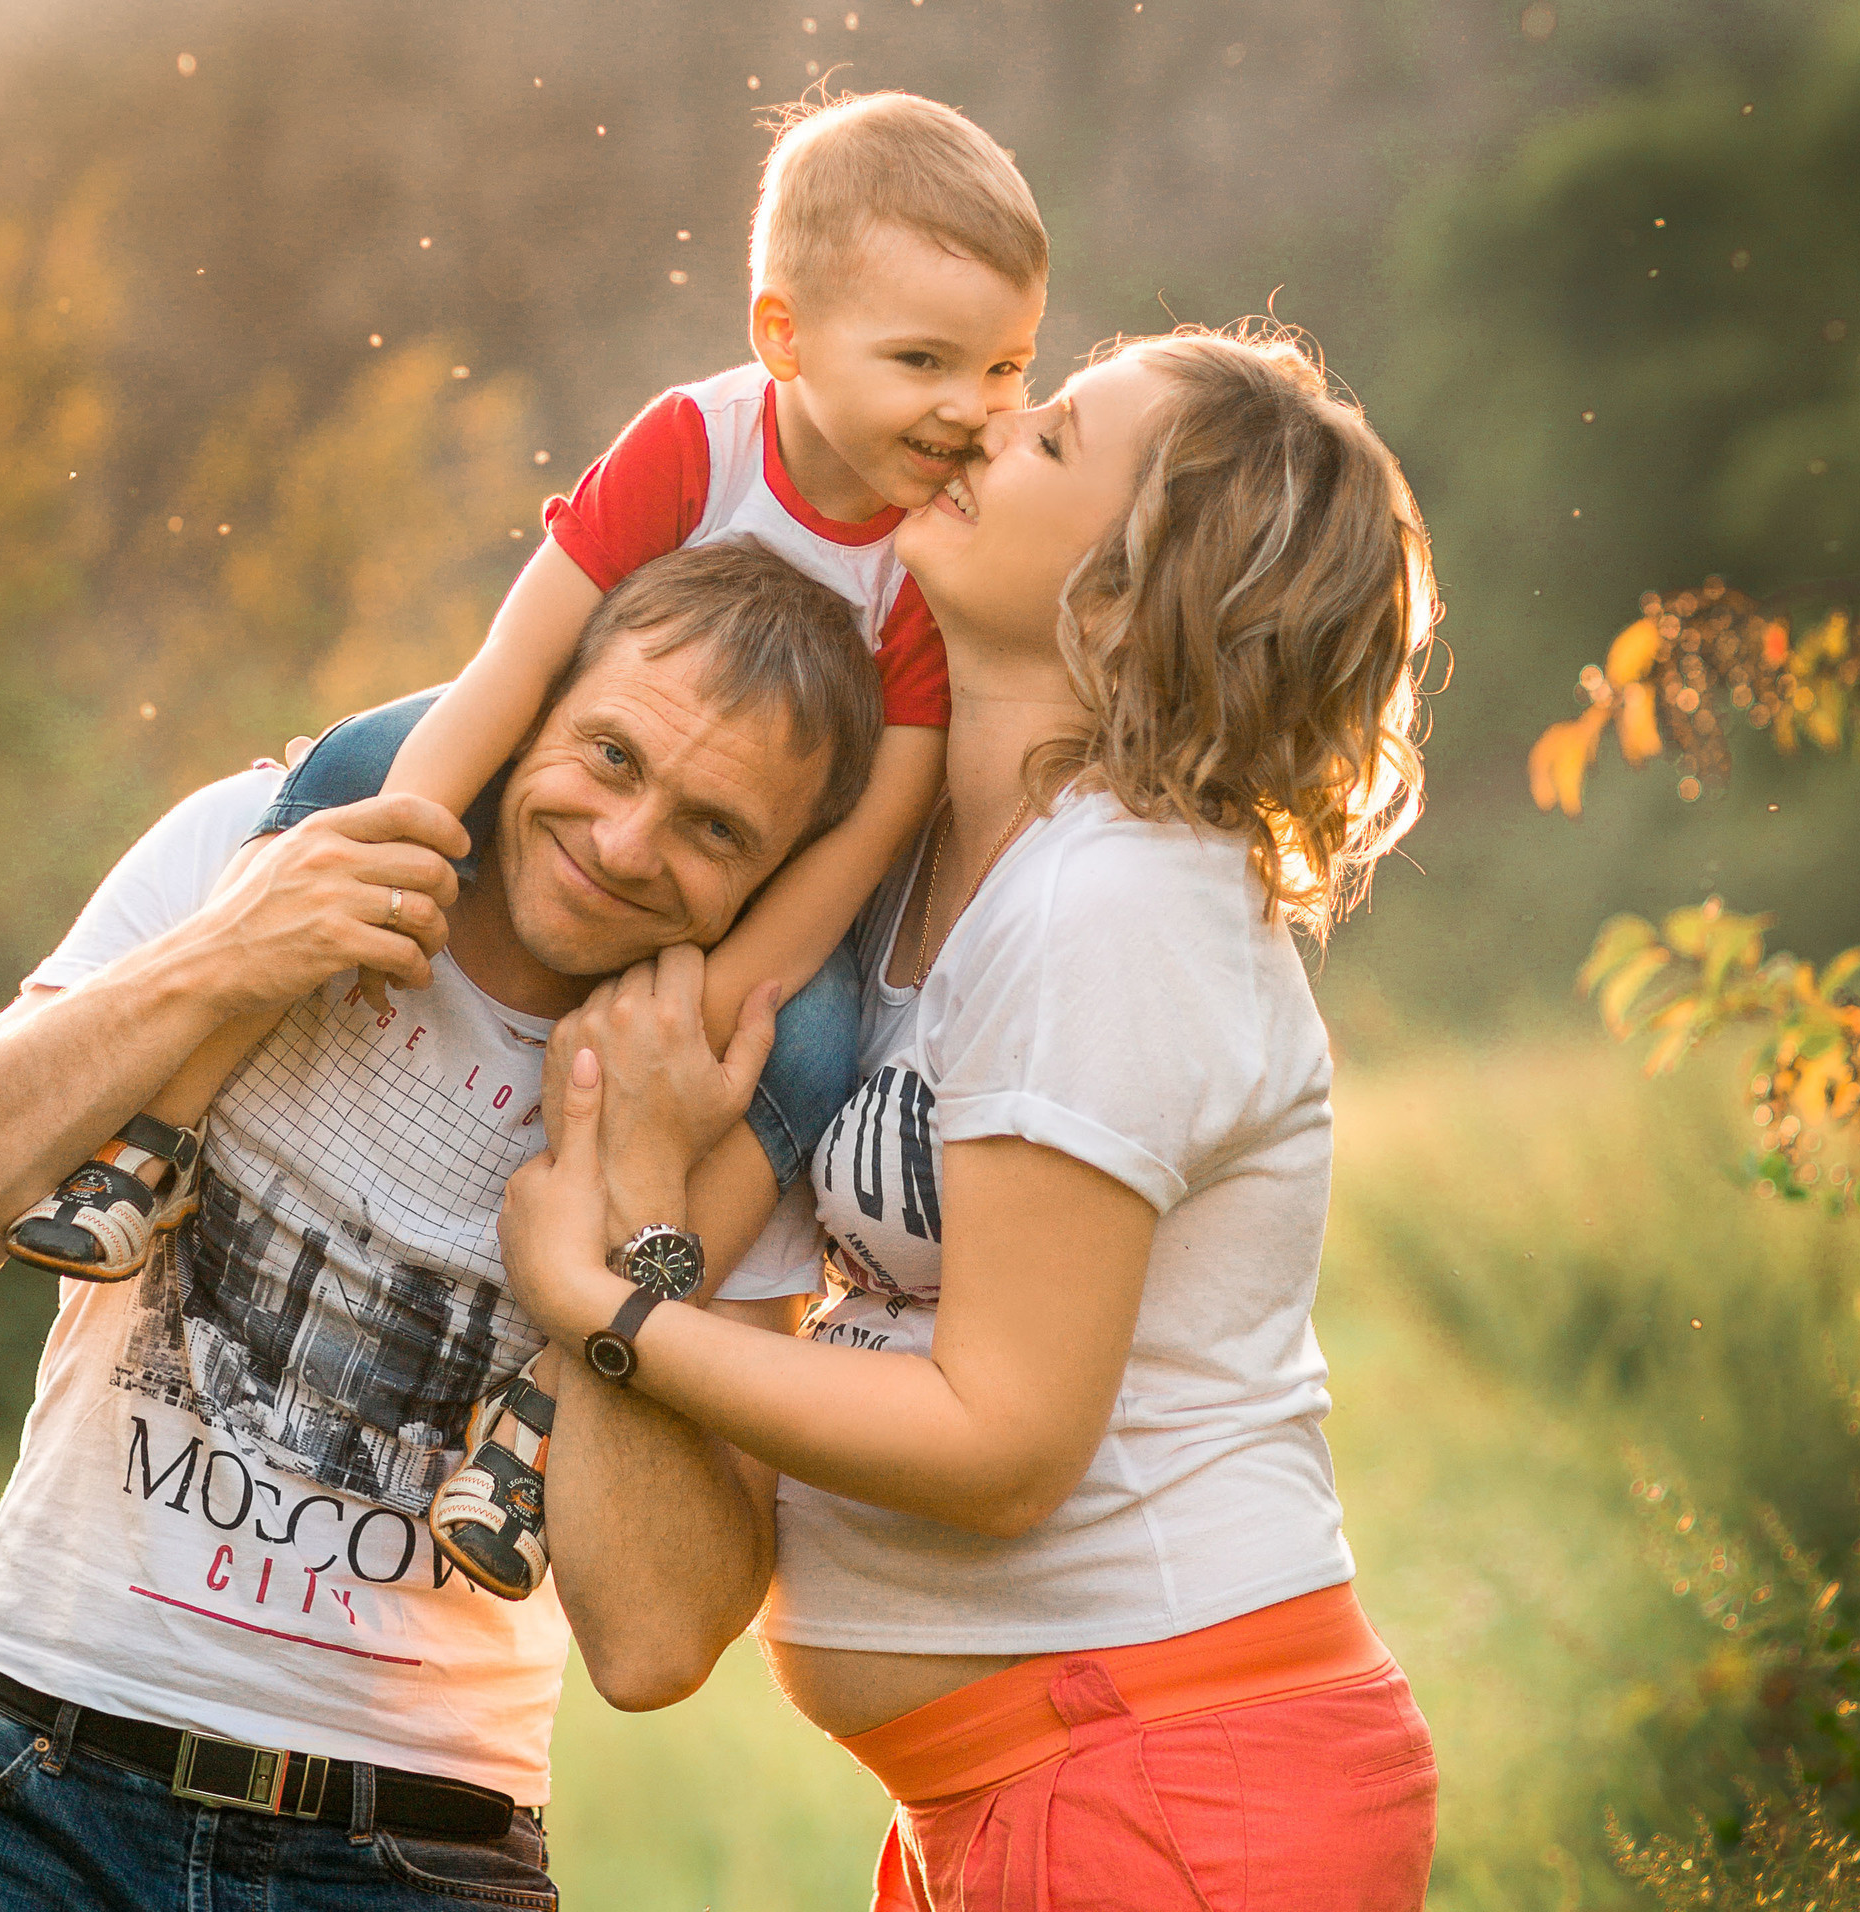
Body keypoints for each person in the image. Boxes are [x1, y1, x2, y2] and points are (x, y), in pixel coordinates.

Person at [498, 324, 1444, 1911]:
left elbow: (1004, 1445)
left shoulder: (1113, 901)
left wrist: (608, 1309)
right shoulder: (907, 880)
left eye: (1051, 434)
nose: (984, 428)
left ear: (1130, 600)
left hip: (1174, 1780)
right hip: (1027, 1786)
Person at [0, 540, 881, 1911]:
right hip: (36, 1782)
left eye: (714, 828)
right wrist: (221, 957)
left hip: (423, 1851)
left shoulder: (735, 1098)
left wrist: (644, 1201)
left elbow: (657, 1644)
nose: (624, 844)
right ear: (533, 705)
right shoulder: (259, 844)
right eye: (610, 755)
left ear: (776, 881)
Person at [1, 86, 1049, 1297]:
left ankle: (602, 1332)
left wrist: (705, 1004)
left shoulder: (932, 549)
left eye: (1005, 368)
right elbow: (517, 659)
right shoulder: (696, 442)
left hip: (764, 858)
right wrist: (394, 850)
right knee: (348, 783)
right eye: (922, 361)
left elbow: (871, 832)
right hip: (584, 743)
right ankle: (156, 1136)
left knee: (806, 1050)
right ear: (785, 336)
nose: (970, 409)